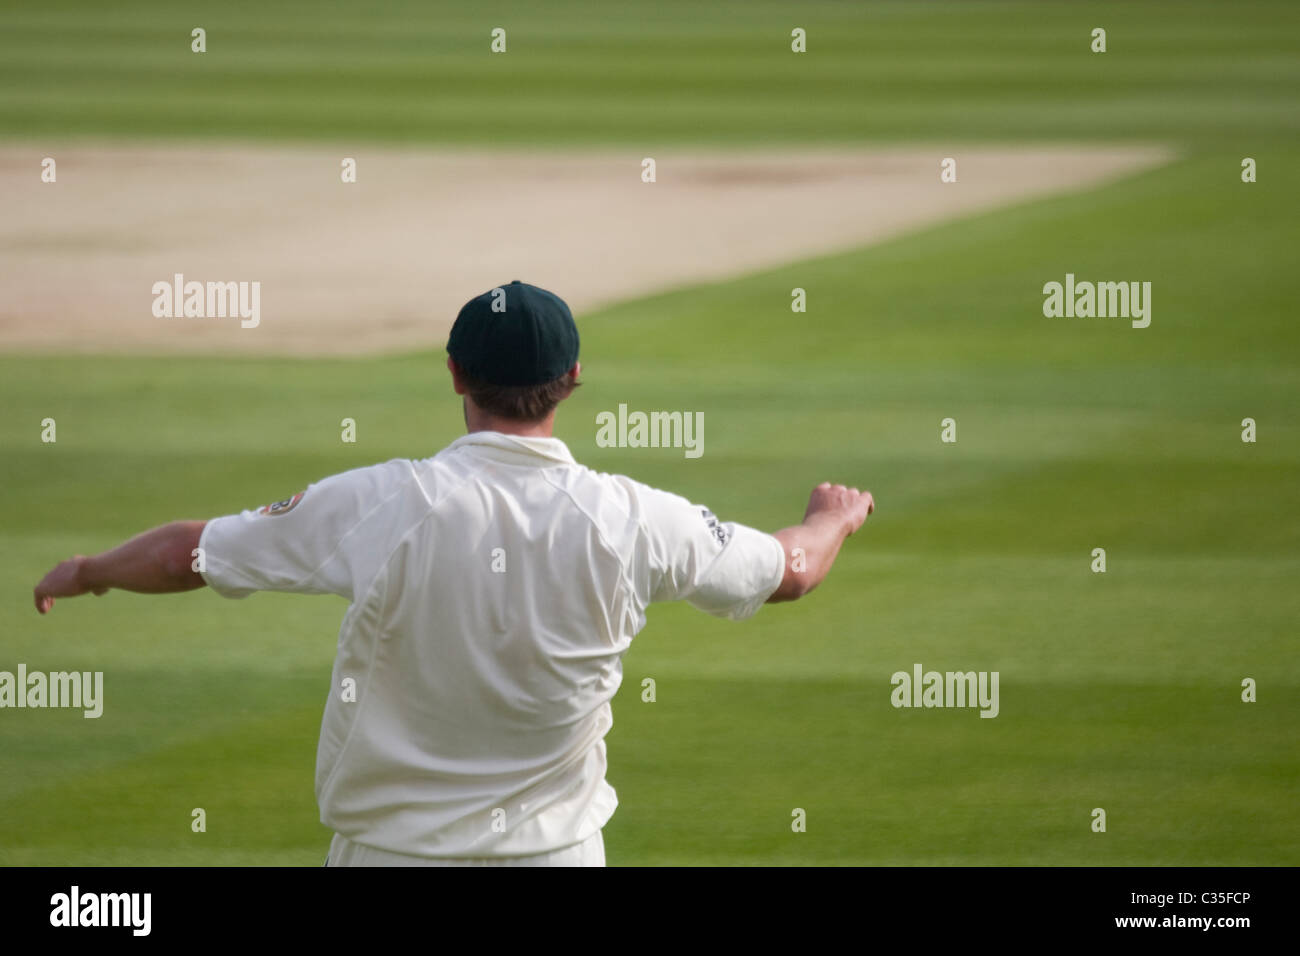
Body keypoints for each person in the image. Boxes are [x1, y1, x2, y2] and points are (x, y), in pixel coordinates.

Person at [32, 280, 874, 866]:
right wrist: (831, 516)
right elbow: (791, 571)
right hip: (559, 854)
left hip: (392, 852)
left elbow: (192, 552)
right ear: (573, 380)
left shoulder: (382, 502)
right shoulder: (631, 516)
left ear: (456, 375)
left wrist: (92, 570)